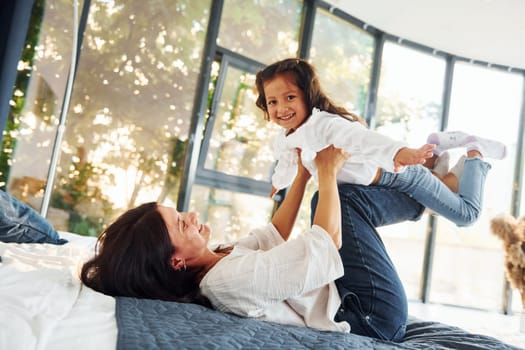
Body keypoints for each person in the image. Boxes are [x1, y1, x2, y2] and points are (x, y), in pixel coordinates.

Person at [81, 145, 421, 342]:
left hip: (345, 292)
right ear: (176, 262)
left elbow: (273, 233)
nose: (193, 214)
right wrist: (327, 171)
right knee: (339, 200)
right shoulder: (226, 281)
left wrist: (302, 174)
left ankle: (425, 193)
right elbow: (326, 243)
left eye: (182, 212)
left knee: (330, 199)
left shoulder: (219, 259)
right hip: (370, 315)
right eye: (183, 223)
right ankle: (426, 196)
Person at [254, 58, 507, 227]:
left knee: (466, 215)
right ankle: (437, 149)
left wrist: (400, 151)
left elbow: (364, 140)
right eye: (273, 102)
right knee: (446, 190)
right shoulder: (286, 138)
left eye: (289, 97)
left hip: (401, 178)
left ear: (308, 96)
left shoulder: (325, 125)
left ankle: (475, 151)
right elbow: (288, 163)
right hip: (380, 185)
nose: (281, 108)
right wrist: (278, 183)